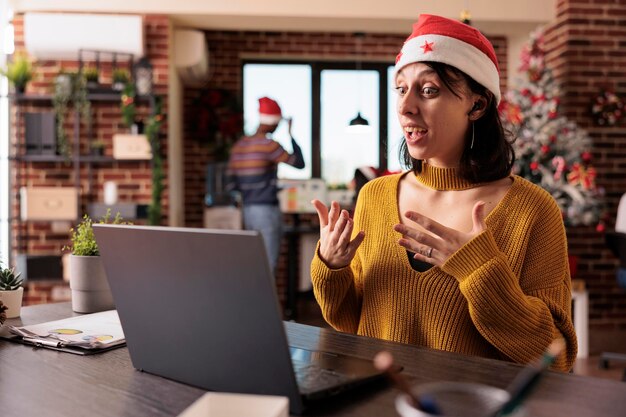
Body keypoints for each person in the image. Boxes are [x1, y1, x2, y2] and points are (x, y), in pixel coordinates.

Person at [310, 14, 577, 371]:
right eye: (402, 89)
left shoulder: (532, 210)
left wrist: (479, 270)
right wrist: (331, 267)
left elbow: (555, 356)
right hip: (379, 401)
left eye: (429, 90)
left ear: (477, 105)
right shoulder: (374, 196)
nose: (405, 107)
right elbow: (349, 321)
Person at [227, 97, 305, 276]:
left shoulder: (239, 146)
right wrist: (291, 134)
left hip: (247, 211)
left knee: (254, 262)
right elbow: (299, 163)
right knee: (268, 264)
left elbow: (232, 183)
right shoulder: (269, 145)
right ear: (274, 123)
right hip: (267, 211)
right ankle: (266, 304)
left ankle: (252, 303)